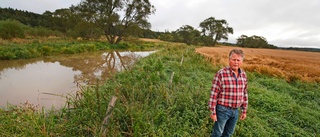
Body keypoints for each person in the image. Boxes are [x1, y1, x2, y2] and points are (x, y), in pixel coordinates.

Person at [208, 49, 248, 137]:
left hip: (235, 111)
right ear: (229, 60)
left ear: (241, 61)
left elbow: (244, 93)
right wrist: (213, 112)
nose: (236, 62)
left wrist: (244, 111)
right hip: (222, 110)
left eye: (238, 60)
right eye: (234, 60)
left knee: (228, 133)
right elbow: (214, 94)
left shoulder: (243, 75)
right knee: (217, 133)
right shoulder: (221, 74)